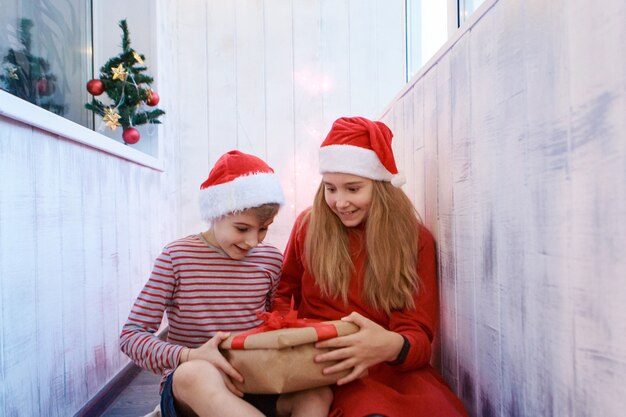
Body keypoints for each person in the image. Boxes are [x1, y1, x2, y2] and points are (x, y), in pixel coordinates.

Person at [272, 117, 469, 417]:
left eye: (353, 189)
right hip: (328, 366)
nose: (339, 202)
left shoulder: (415, 240)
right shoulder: (307, 227)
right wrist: (290, 343)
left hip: (393, 368)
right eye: (330, 189)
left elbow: (417, 336)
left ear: (380, 186)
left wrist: (389, 345)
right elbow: (283, 299)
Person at [120, 150, 331, 417]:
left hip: (255, 382)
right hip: (195, 386)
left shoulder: (270, 260)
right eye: (242, 229)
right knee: (196, 375)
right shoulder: (177, 257)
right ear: (216, 212)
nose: (253, 241)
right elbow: (131, 336)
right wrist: (189, 356)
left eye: (264, 228)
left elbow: (275, 321)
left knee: (317, 393)